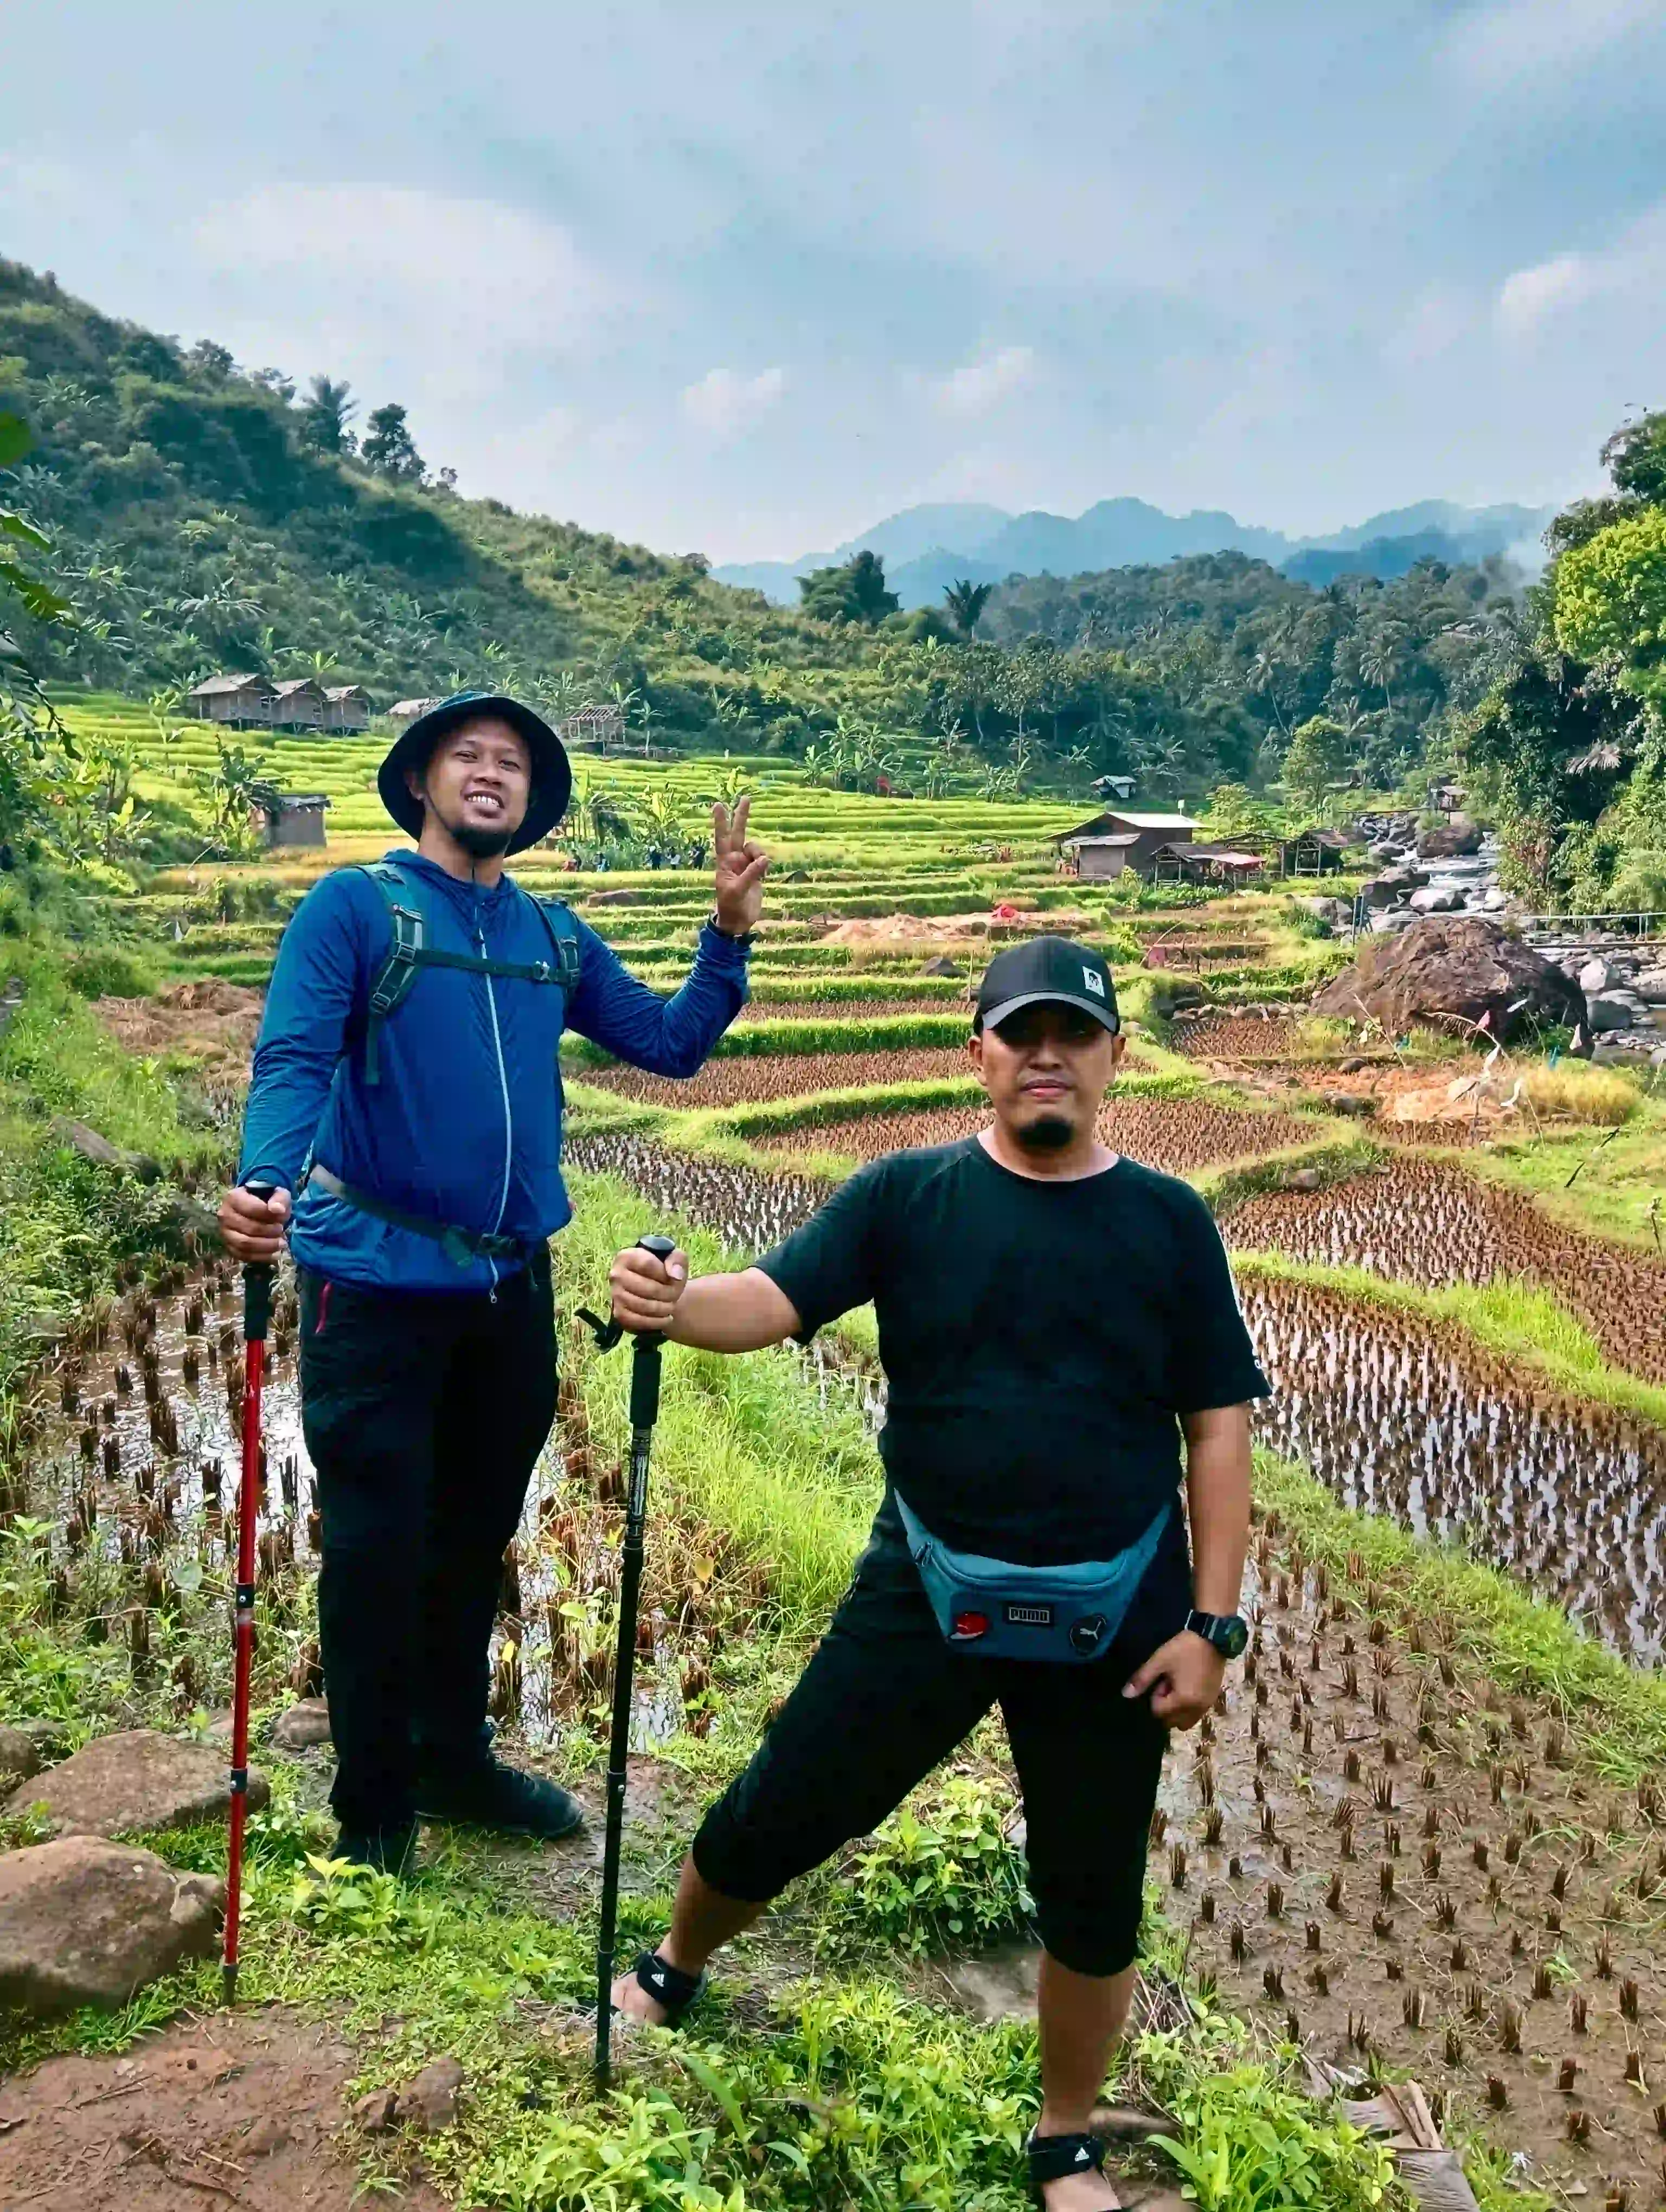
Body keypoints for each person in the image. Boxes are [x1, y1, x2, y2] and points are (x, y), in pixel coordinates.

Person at [604, 935, 1267, 2212]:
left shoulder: (1170, 1224)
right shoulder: (906, 1198)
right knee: (792, 1797)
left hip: (1122, 1608)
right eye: (1023, 1035)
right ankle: (677, 1965)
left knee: (1092, 1887)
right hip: (926, 1580)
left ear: (1115, 1060)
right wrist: (671, 1305)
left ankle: (1066, 2134)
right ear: (980, 1056)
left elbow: (1217, 1430)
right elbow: (770, 1301)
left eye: (1075, 1035)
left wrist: (1214, 1628)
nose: (1047, 1058)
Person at [219, 690, 767, 1873]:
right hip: (370, 1289)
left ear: (531, 800)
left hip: (510, 1292)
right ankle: (371, 1809)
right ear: (421, 781)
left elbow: (671, 1043)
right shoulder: (356, 908)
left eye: (512, 764)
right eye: (467, 755)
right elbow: (295, 1056)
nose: (490, 774)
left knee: (473, 1536)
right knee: (374, 1545)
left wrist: (727, 934)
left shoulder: (552, 939)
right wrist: (266, 1180)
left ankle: (454, 1760)